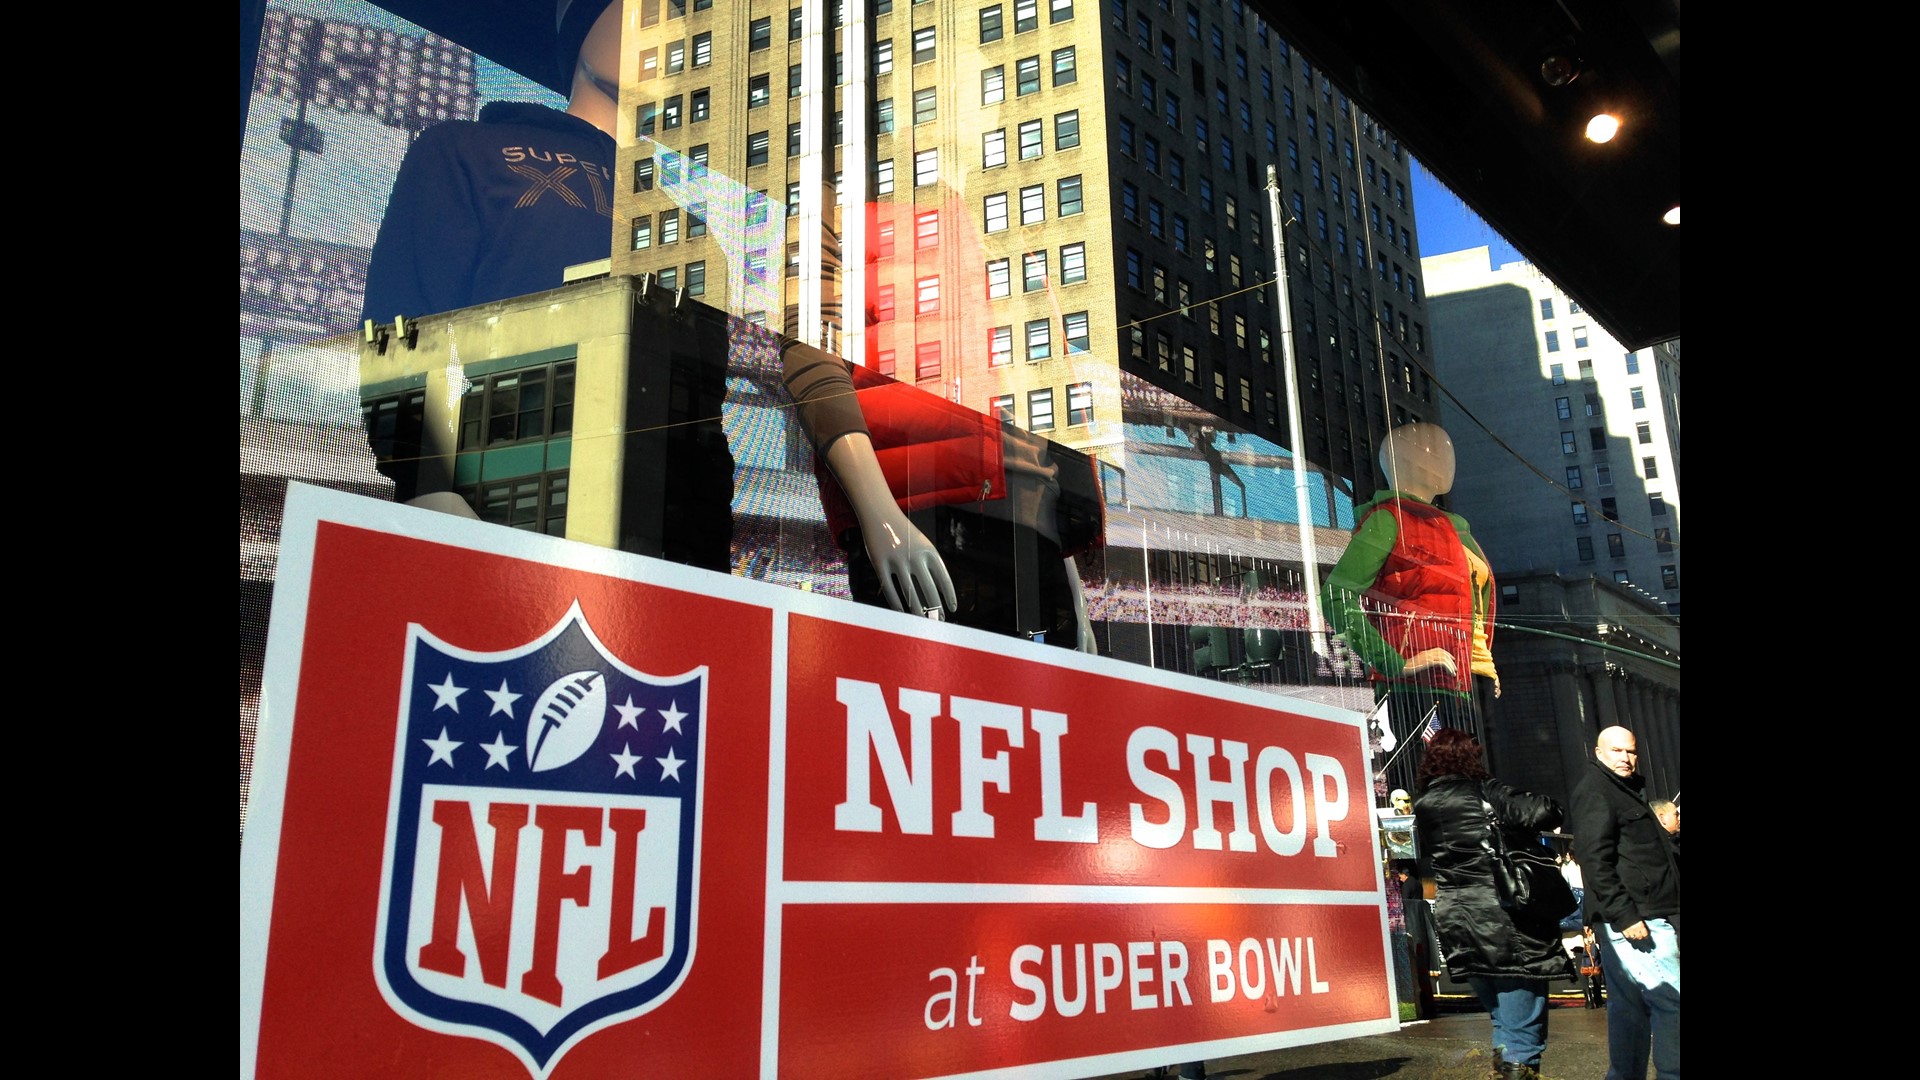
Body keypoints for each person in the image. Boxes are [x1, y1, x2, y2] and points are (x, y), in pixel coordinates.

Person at [362, 0, 624, 323]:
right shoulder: (463, 151)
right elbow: (395, 332)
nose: (674, 23)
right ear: (582, 22)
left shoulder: (674, 200)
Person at [1323, 424, 1496, 751]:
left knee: (1471, 786)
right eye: (1433, 449)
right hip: (1414, 689)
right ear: (1407, 461)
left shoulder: (1457, 531)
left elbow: (1474, 608)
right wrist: (1394, 662)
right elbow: (1336, 595)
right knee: (1427, 782)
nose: (1447, 456)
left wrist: (1483, 665)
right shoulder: (1387, 520)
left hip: (1468, 685)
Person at [1413, 727, 1572, 1079]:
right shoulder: (1485, 791)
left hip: (1458, 916)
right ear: (1470, 757)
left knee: (1503, 1019)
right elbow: (1547, 810)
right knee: (1522, 1029)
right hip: (1506, 918)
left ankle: (1505, 1071)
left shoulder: (1424, 804)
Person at [1568, 726, 1681, 1080]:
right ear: (1598, 753)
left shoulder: (1623, 790)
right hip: (1636, 918)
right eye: (1616, 751)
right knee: (1671, 1003)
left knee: (1630, 1010)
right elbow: (1594, 859)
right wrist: (1624, 914)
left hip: (1637, 915)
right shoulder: (1597, 790)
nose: (1625, 758)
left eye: (1630, 752)